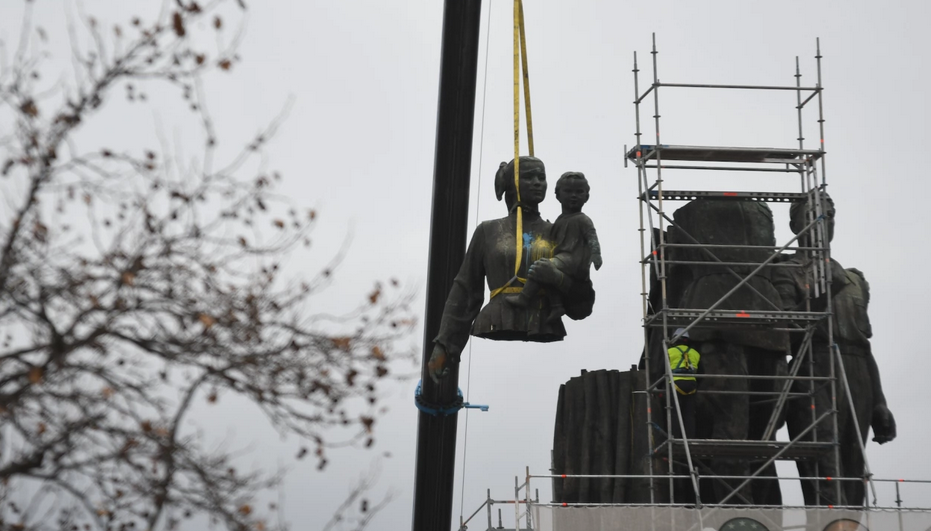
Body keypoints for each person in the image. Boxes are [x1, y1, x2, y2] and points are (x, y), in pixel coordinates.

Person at [774, 192, 896, 507]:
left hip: (858, 373)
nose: (821, 223)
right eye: (811, 216)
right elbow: (788, 329)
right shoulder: (784, 270)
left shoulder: (855, 279)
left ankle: (850, 524)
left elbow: (864, 344)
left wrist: (880, 402)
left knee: (854, 465)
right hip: (812, 366)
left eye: (828, 216)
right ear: (794, 224)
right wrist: (826, 292)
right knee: (819, 463)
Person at [428, 157, 596, 381]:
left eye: (541, 177)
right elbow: (465, 289)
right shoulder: (488, 231)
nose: (537, 182)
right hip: (495, 320)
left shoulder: (558, 232)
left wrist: (558, 279)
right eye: (528, 177)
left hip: (544, 323)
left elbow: (582, 305)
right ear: (510, 184)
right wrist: (445, 344)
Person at [506, 171, 602, 324]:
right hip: (562, 258)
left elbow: (592, 237)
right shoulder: (559, 221)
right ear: (558, 195)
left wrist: (596, 254)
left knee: (539, 267)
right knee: (546, 275)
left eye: (579, 192)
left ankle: (523, 298)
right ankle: (557, 306)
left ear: (586, 196)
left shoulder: (583, 219)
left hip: (571, 260)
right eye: (568, 191)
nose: (574, 195)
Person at [667, 329, 700, 440]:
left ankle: (675, 438)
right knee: (690, 414)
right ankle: (690, 439)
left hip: (676, 384)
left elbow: (662, 369)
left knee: (675, 413)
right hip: (691, 385)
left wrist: (658, 385)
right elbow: (702, 372)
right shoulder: (695, 353)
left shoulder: (670, 352)